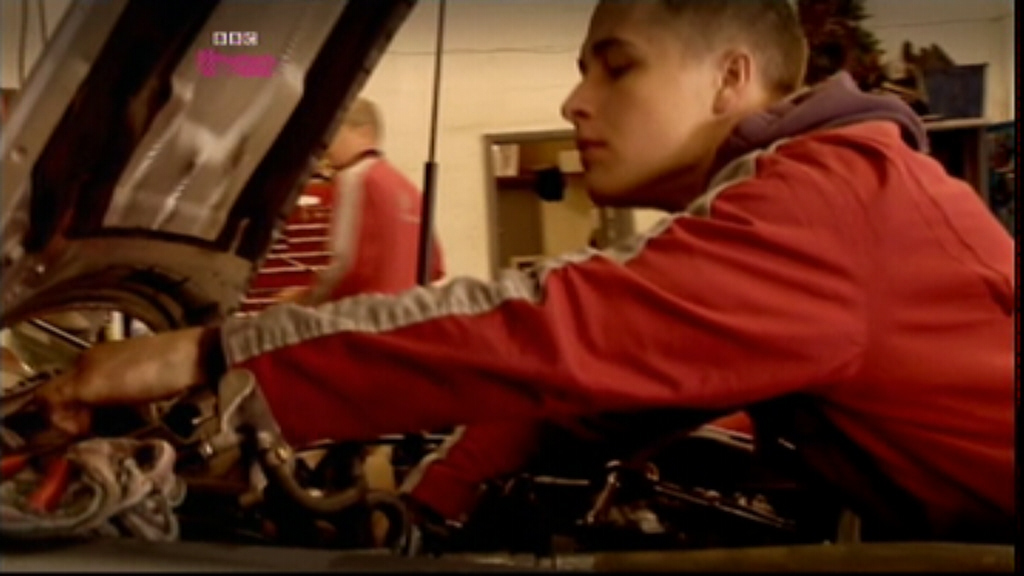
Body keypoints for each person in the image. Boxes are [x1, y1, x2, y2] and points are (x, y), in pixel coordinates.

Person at [37, 0, 1013, 544]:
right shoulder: (825, 191)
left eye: (614, 66)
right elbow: (596, 396)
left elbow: (553, 326)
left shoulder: (831, 196)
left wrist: (210, 355)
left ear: (730, 77)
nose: (575, 101)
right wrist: (426, 507)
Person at [278, 96, 446, 306]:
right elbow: (435, 267)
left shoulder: (355, 178)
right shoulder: (408, 188)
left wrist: (306, 299)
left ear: (364, 133)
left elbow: (346, 263)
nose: (326, 146)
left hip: (365, 316)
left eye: (334, 133)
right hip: (406, 316)